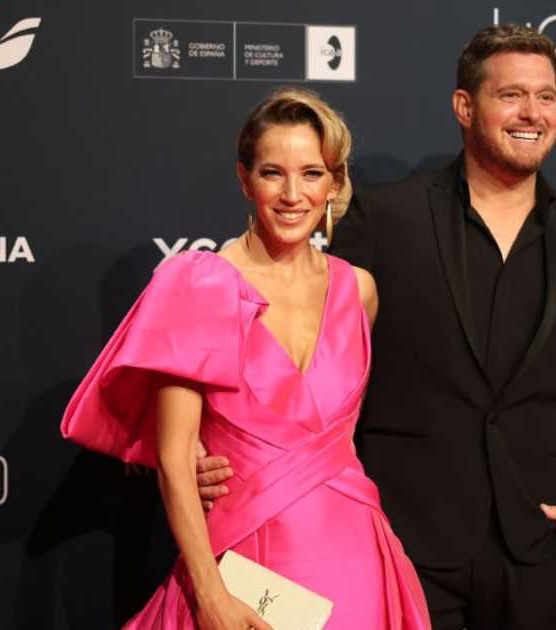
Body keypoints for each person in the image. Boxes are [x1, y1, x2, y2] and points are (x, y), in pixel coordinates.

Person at [199, 24, 556, 629]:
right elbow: (288, 341)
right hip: (399, 546)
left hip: (537, 553)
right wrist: (196, 443)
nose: (532, 113)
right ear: (464, 107)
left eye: (547, 96)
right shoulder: (387, 217)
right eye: (511, 95)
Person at [61, 88, 431, 629]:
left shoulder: (359, 290)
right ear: (244, 179)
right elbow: (174, 458)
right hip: (246, 563)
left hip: (356, 555)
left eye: (311, 173)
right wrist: (210, 595)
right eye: (272, 173)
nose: (292, 194)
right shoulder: (198, 284)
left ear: (334, 183)